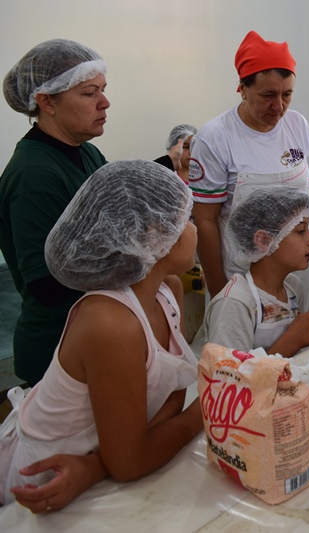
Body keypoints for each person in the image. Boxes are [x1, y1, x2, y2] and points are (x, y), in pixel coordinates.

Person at [0, 160, 201, 513]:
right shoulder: (111, 323)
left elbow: (170, 396)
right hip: (44, 476)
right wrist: (207, 410)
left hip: (95, 465)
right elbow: (130, 462)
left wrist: (102, 464)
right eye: (186, 219)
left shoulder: (167, 291)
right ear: (155, 235)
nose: (195, 229)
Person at [189, 30, 309, 308]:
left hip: (302, 271)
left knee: (306, 344)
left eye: (287, 94)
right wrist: (220, 291)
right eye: (268, 95)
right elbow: (205, 221)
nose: (278, 106)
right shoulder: (216, 137)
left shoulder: (297, 125)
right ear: (242, 88)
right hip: (245, 279)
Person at [0, 39, 110, 385]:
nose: (105, 103)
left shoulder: (86, 152)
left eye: (103, 90)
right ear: (46, 102)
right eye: (89, 93)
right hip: (58, 351)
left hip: (92, 338)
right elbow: (48, 285)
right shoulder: (34, 176)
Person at [204, 185, 309, 355]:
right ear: (264, 240)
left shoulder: (293, 288)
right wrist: (293, 340)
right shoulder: (235, 303)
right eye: (301, 231)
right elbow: (227, 376)